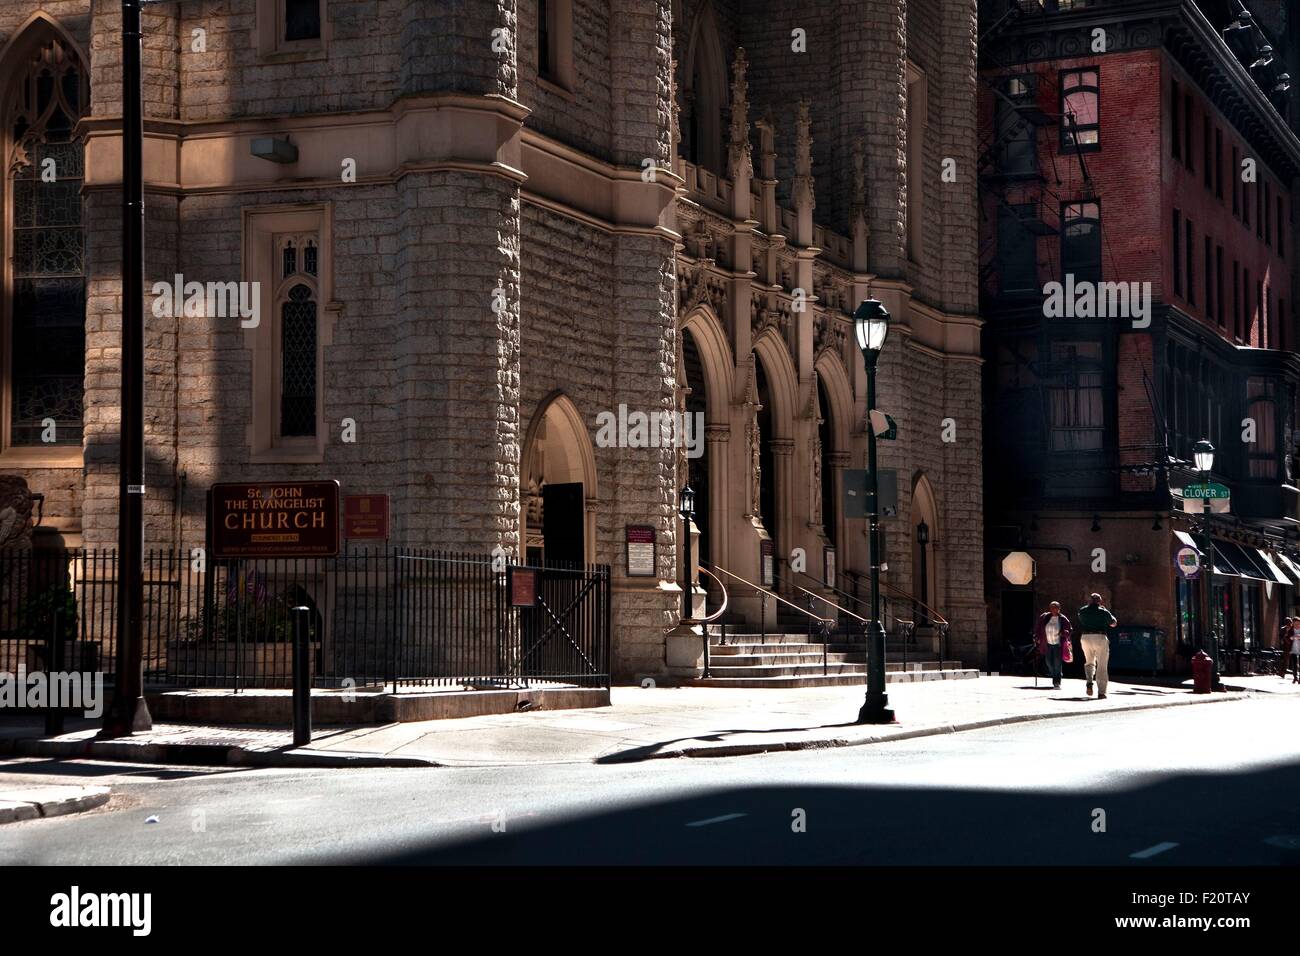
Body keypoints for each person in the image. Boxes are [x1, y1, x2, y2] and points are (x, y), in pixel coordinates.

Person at [1076, 592, 1118, 699]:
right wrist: (1105, 612)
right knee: (1102, 666)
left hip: (1085, 637)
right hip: (1100, 637)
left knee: (1089, 662)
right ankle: (1101, 692)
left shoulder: (1082, 611)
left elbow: (1080, 619)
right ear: (1099, 601)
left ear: (1089, 601)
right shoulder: (1103, 611)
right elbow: (1113, 623)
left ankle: (1089, 682)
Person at [1034, 601, 1072, 689]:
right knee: (1048, 662)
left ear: (1059, 609)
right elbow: (1038, 628)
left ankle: (1056, 682)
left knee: (1057, 663)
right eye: (1051, 607)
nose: (1053, 609)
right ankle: (1055, 674)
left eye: (1055, 607)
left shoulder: (1063, 618)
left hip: (1058, 645)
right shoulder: (1045, 617)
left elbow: (1069, 630)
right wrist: (1037, 637)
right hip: (1047, 644)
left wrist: (1064, 633)